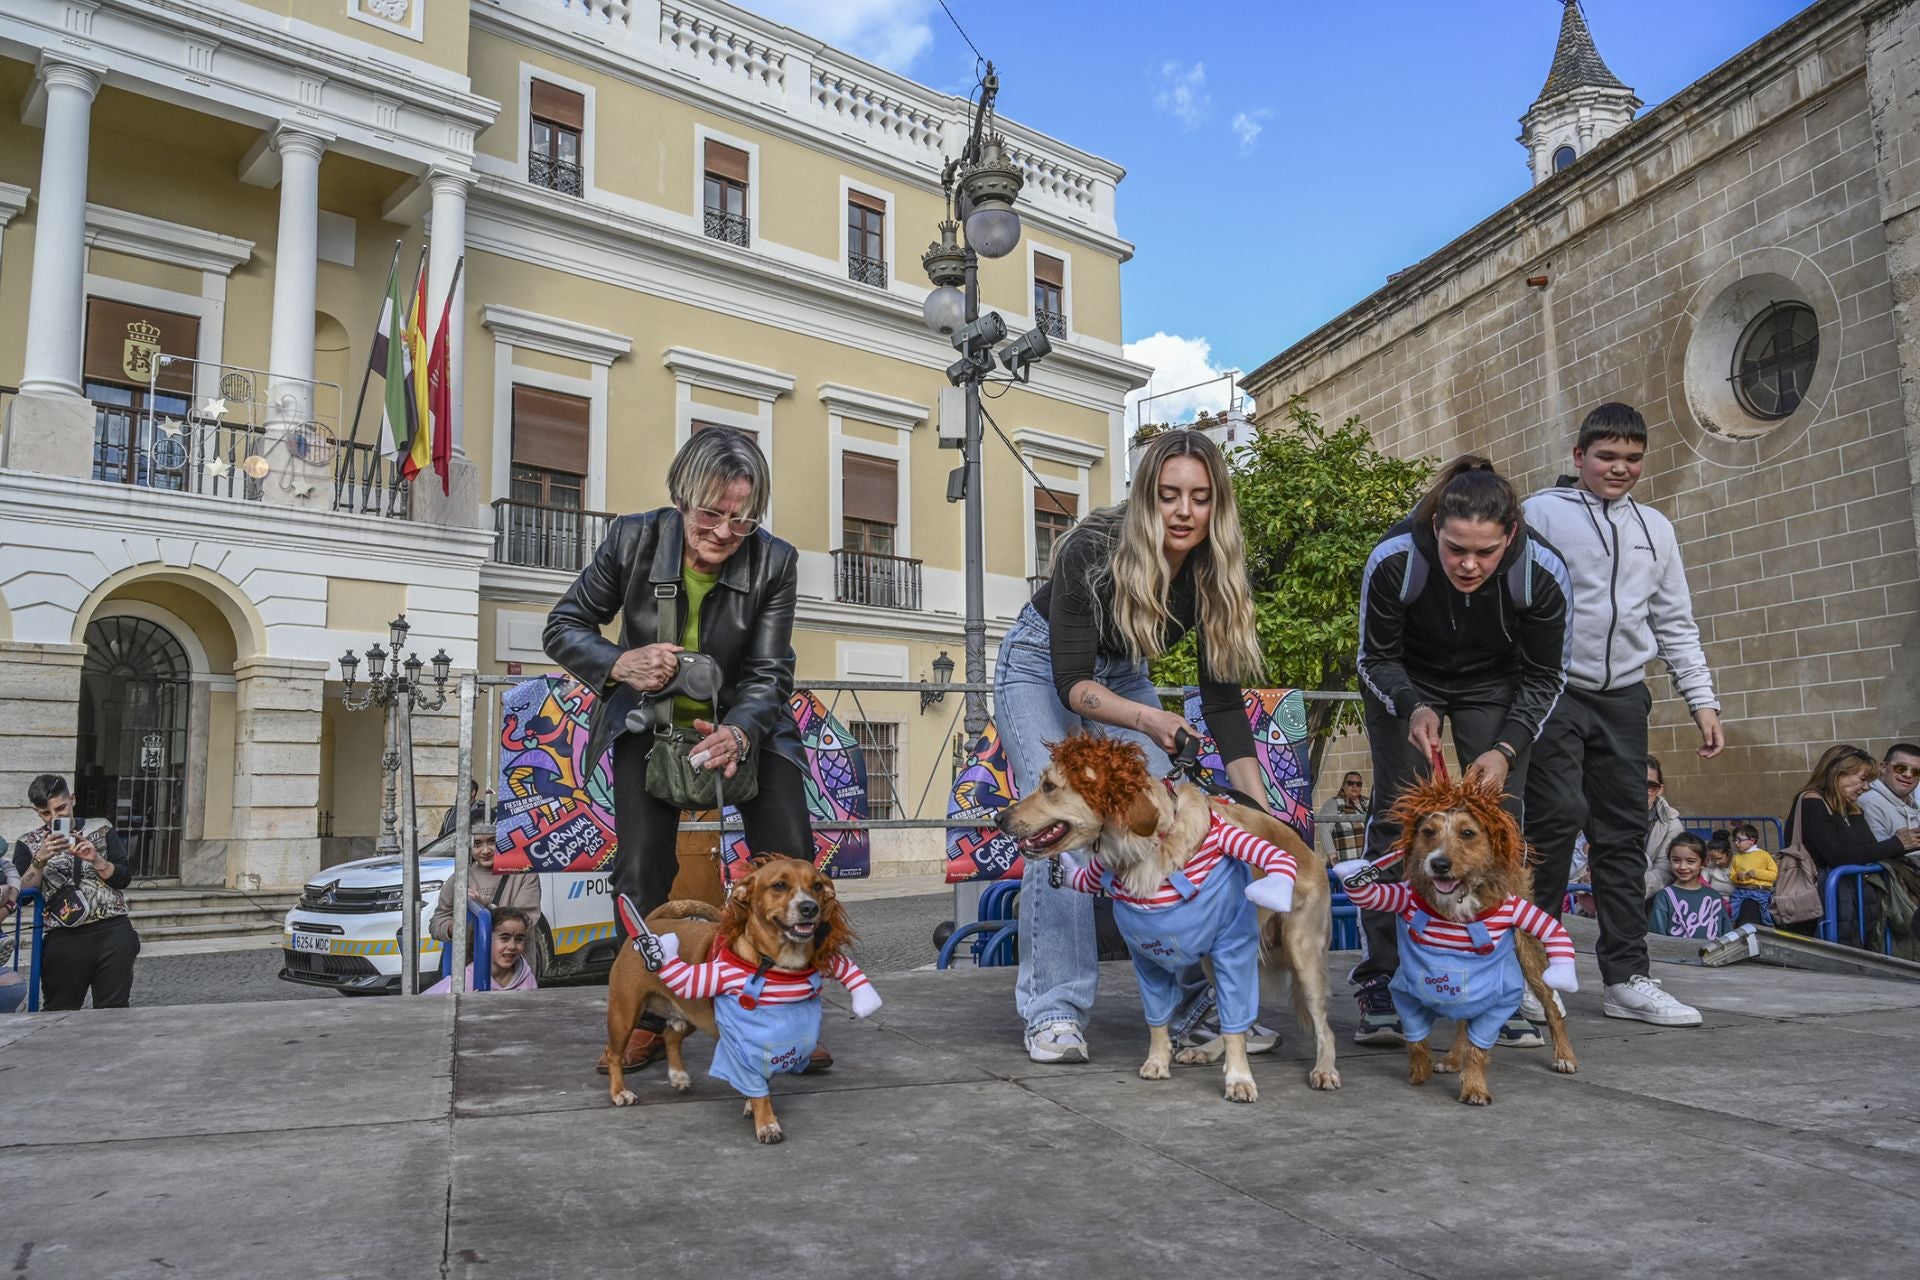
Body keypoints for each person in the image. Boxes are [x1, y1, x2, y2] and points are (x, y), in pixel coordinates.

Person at [544, 426, 819, 1074]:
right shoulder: (632, 539)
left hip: (751, 726)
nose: (725, 532)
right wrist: (619, 662)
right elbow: (564, 626)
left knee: (792, 865)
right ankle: (650, 1013)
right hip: (648, 722)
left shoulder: (775, 560)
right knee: (639, 872)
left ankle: (787, 1014)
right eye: (711, 514)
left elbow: (771, 671)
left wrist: (742, 730)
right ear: (681, 497)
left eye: (743, 519)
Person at [995, 429, 1270, 1065]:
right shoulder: (1092, 549)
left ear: (1215, 505)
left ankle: (1206, 1005)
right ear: (1146, 496)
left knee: (1164, 817)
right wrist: (1150, 720)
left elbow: (1224, 708)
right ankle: (1054, 1010)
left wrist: (1261, 812)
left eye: (1199, 498)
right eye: (1169, 494)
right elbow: (1072, 685)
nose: (1183, 511)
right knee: (1059, 821)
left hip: (1121, 678)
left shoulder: (1214, 571)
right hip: (1042, 667)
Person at [1350, 455, 1571, 1049]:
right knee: (1401, 819)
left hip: (1496, 682)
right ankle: (1384, 979)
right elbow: (1373, 658)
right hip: (1406, 677)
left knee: (1500, 824)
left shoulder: (1543, 572)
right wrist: (1412, 707)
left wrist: (1505, 747)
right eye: (1455, 550)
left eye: (1486, 552)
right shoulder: (1395, 558)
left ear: (1512, 537)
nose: (1469, 565)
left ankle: (1500, 983)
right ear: (1436, 530)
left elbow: (1547, 676)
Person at [1522, 402, 1722, 1030]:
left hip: (1625, 696)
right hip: (1554, 691)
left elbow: (1673, 620)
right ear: (1579, 456)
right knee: (1553, 824)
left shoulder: (1655, 527)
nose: (1621, 469)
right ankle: (1534, 973)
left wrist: (1702, 698)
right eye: (1607, 457)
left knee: (1622, 834)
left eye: (1633, 459)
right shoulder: (1539, 514)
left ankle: (1627, 976)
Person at [9, 774, 140, 1010]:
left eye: (61, 808)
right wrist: (39, 860)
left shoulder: (100, 827)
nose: (55, 817)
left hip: (112, 931)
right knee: (59, 1011)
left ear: (72, 799)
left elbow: (124, 877)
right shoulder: (28, 842)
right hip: (64, 938)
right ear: (37, 812)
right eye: (46, 813)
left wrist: (97, 859)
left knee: (114, 1011)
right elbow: (22, 896)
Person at [1781, 745, 1920, 947]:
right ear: (1837, 773)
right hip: (1815, 901)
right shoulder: (1812, 800)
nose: (1866, 787)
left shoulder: (1850, 806)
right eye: (1862, 779)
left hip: (1851, 900)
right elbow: (1836, 855)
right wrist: (1897, 843)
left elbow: (1868, 848)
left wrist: (1901, 843)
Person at [428, 822, 542, 945]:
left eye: (492, 841)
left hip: (514, 960)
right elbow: (437, 922)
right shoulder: (459, 878)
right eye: (477, 844)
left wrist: (480, 908)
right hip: (472, 961)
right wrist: (454, 927)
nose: (486, 850)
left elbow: (525, 921)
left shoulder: (524, 874)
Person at [425, 906, 538, 994]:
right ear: (485, 940)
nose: (512, 946)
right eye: (504, 938)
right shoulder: (463, 981)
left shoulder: (527, 979)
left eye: (519, 939)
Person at [1648, 834, 1724, 941]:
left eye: (1691, 861)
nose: (1683, 867)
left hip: (1712, 957)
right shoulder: (1664, 897)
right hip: (1674, 957)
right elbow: (1657, 939)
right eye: (1676, 860)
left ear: (1703, 862)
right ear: (1669, 860)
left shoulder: (1714, 897)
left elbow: (1727, 939)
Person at [1641, 756, 1687, 901]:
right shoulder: (1610, 818)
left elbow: (1665, 871)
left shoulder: (1671, 824)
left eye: (1650, 785)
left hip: (1648, 900)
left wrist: (1631, 888)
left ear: (1660, 789)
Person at [1858, 743, 1920, 842]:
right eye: (1900, 768)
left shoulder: (1911, 802)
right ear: (1883, 768)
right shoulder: (1869, 802)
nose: (1908, 775)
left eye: (1916, 772)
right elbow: (1876, 852)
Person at [1727, 822, 1777, 927]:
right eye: (1735, 840)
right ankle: (1729, 930)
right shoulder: (1736, 857)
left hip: (1760, 890)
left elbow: (1774, 875)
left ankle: (1771, 931)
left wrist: (1756, 873)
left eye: (1739, 840)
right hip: (1740, 890)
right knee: (1731, 911)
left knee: (1767, 915)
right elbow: (1731, 874)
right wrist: (1736, 877)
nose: (1736, 843)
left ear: (1752, 841)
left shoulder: (1764, 855)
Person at [1316, 771, 1368, 861]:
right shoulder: (1334, 803)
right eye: (1350, 783)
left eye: (1358, 784)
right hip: (1345, 863)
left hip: (1366, 862)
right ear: (1343, 785)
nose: (1354, 786)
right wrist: (1333, 858)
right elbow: (1324, 830)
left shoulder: (1368, 803)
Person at [1702, 833, 1733, 899]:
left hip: (1736, 900)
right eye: (1713, 859)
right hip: (1714, 898)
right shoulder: (1711, 865)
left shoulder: (1738, 863)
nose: (1717, 862)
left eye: (1719, 858)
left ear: (1729, 852)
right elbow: (1703, 882)